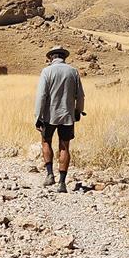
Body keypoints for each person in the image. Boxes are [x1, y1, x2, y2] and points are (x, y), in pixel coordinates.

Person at [34, 45, 84, 192]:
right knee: (64, 146)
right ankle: (62, 183)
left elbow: (41, 95)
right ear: (64, 57)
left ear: (51, 57)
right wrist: (78, 111)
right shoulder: (73, 71)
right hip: (67, 115)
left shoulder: (47, 71)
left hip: (49, 115)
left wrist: (38, 116)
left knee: (46, 141)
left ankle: (50, 175)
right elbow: (80, 95)